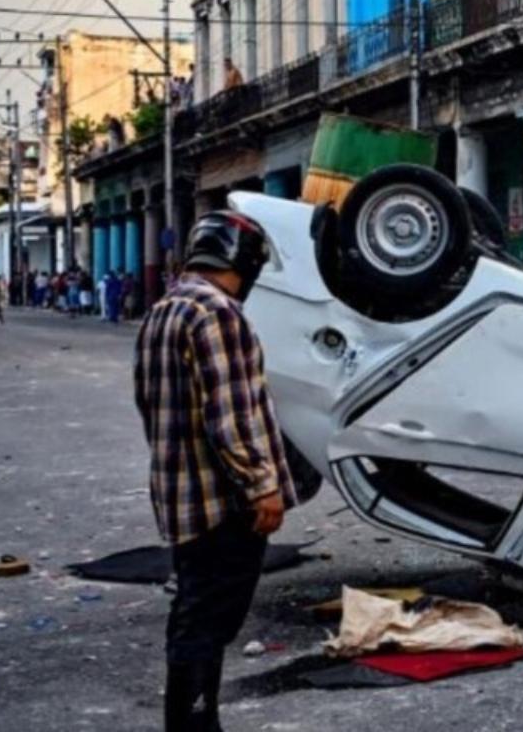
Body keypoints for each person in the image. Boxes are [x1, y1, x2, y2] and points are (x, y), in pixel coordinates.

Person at [134, 211, 296, 732]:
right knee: (207, 622)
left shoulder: (164, 310)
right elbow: (230, 415)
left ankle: (194, 722)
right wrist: (262, 486)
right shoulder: (218, 313)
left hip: (181, 495)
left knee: (193, 614)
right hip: (221, 502)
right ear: (244, 263)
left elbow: (150, 405)